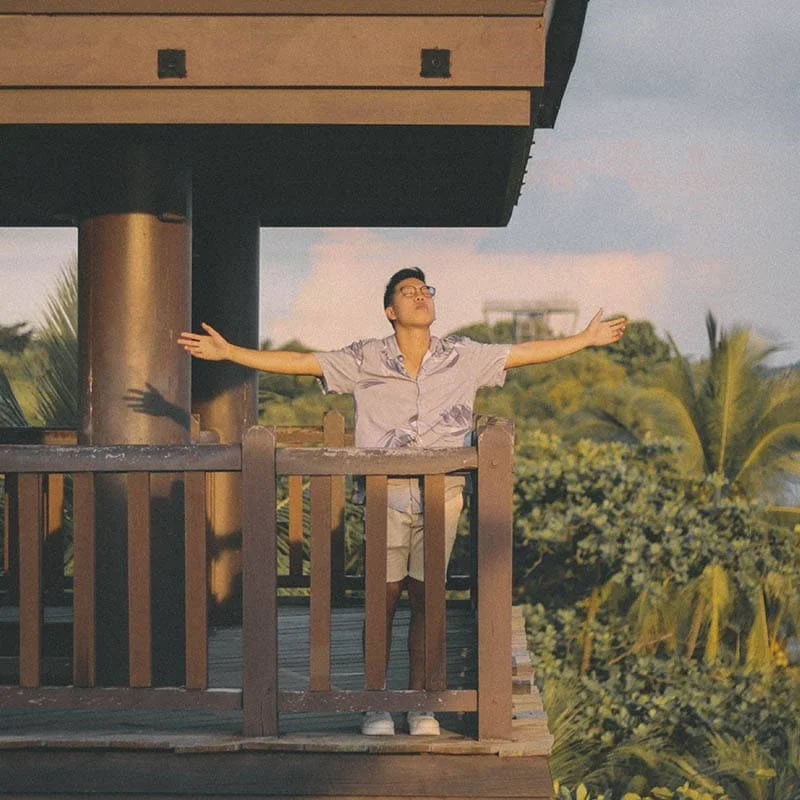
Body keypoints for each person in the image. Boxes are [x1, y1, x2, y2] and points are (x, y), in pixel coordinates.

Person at [178, 267, 626, 736]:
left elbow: (526, 352)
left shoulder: (463, 356)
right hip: (384, 495)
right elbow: (302, 362)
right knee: (383, 600)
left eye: (425, 290)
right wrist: (230, 352)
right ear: (390, 311)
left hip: (442, 497)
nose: (420, 296)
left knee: (428, 599)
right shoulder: (366, 358)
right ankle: (376, 704)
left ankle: (421, 703)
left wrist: (584, 339)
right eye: (407, 291)